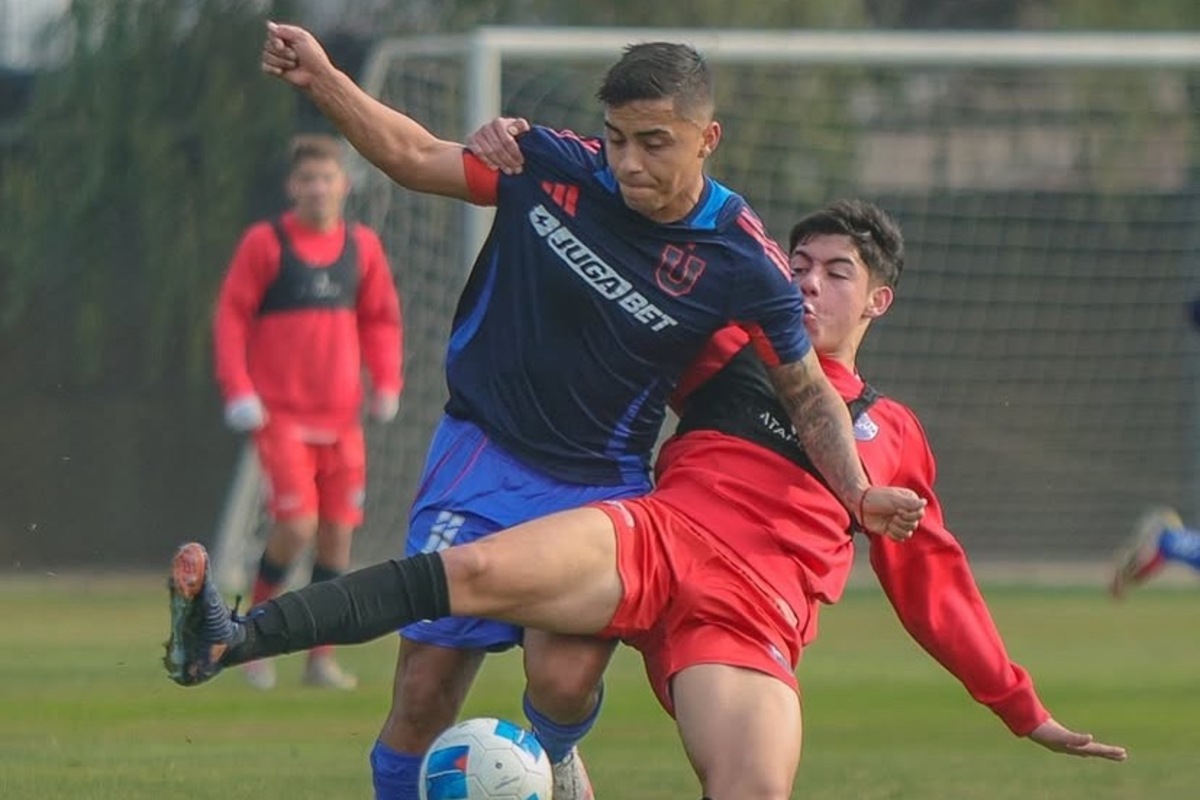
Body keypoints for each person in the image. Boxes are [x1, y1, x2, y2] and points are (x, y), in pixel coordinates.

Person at [165, 198, 1126, 800]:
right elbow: (619, 297)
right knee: (471, 573)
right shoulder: (726, 349)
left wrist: (1019, 706)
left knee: (749, 786)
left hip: (751, 620)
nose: (810, 284)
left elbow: (935, 586)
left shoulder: (896, 433)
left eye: (838, 273)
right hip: (654, 541)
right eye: (798, 267)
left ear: (878, 301)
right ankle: (231, 636)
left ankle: (557, 757)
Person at [254, 22, 926, 800]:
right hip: (483, 454)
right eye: (616, 139)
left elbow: (808, 393)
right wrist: (324, 78)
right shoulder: (549, 165)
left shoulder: (744, 260)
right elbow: (410, 155)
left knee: (563, 680)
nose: (630, 162)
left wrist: (858, 494)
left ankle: (559, 761)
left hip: (598, 484)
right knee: (423, 697)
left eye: (654, 142)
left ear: (706, 139)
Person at [213, 132, 403, 690]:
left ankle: (320, 659)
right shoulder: (266, 243)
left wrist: (386, 379)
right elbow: (231, 317)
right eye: (307, 180)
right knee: (296, 525)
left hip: (343, 422)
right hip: (283, 418)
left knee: (337, 539)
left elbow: (381, 318)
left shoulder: (363, 246)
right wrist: (238, 389)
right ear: (291, 187)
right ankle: (251, 638)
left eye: (327, 178)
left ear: (345, 185)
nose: (318, 189)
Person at [1110, 506, 1200, 596]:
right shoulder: (1165, 542)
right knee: (1140, 570)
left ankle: (1122, 577)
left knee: (1139, 570)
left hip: (1163, 535)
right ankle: (1121, 577)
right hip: (1163, 538)